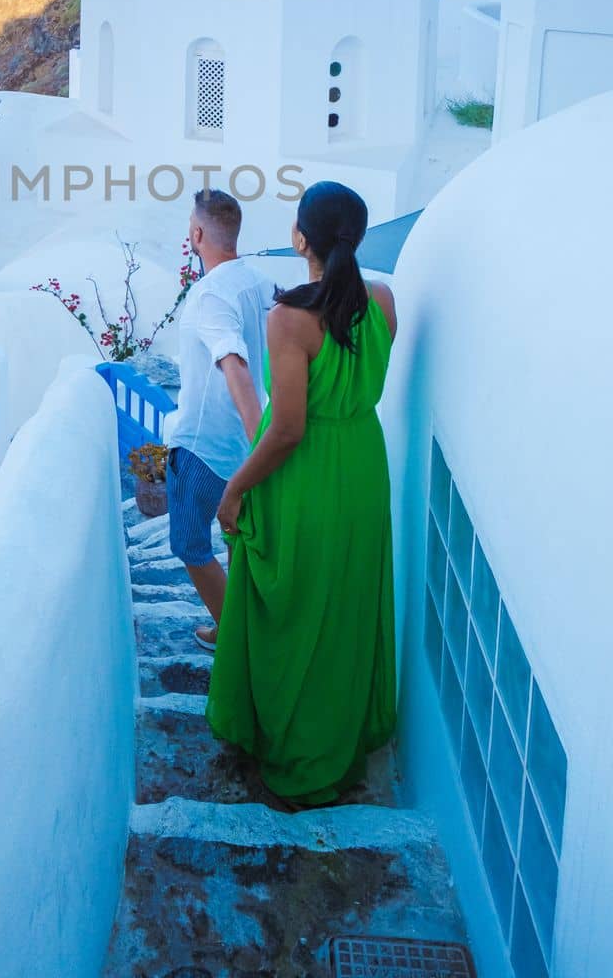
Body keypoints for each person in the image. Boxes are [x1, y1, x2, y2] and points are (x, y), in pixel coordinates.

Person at [207, 180, 398, 808]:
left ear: (299, 238)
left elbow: (287, 428)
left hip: (308, 475)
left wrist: (234, 489)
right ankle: (338, 740)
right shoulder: (385, 303)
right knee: (340, 608)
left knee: (291, 609)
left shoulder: (289, 319)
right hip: (363, 468)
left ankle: (290, 746)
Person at [163, 189, 272, 653]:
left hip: (203, 446)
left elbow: (236, 365)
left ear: (198, 233)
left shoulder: (209, 296)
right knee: (234, 539)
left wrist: (260, 445)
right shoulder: (260, 284)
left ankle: (234, 638)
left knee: (189, 544)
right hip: (241, 448)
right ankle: (240, 623)